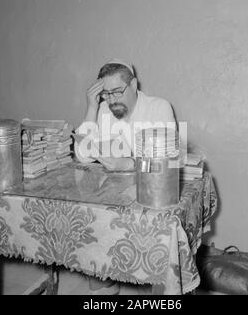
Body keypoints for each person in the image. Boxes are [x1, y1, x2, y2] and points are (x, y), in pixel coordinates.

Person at [74, 59, 176, 294]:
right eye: (106, 94)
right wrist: (91, 106)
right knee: (92, 227)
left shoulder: (158, 107)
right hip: (113, 195)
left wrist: (128, 162)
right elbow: (83, 155)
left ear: (134, 85)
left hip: (149, 195)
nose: (112, 100)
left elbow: (169, 158)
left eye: (117, 91)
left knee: (158, 245)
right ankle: (105, 290)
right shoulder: (102, 110)